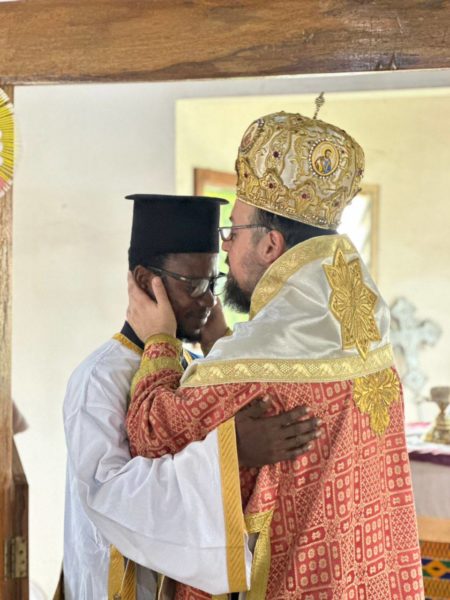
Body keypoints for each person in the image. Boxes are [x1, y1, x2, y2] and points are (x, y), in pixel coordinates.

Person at [125, 113, 424, 599]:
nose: (226, 244)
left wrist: (159, 340)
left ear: (270, 244)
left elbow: (151, 433)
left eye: (234, 230)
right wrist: (221, 343)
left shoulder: (252, 363)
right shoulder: (369, 331)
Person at [63, 193, 319, 600]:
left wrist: (221, 352)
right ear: (146, 282)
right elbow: (110, 497)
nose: (208, 300)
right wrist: (232, 452)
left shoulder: (193, 363)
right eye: (195, 284)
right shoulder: (99, 376)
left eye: (213, 282)